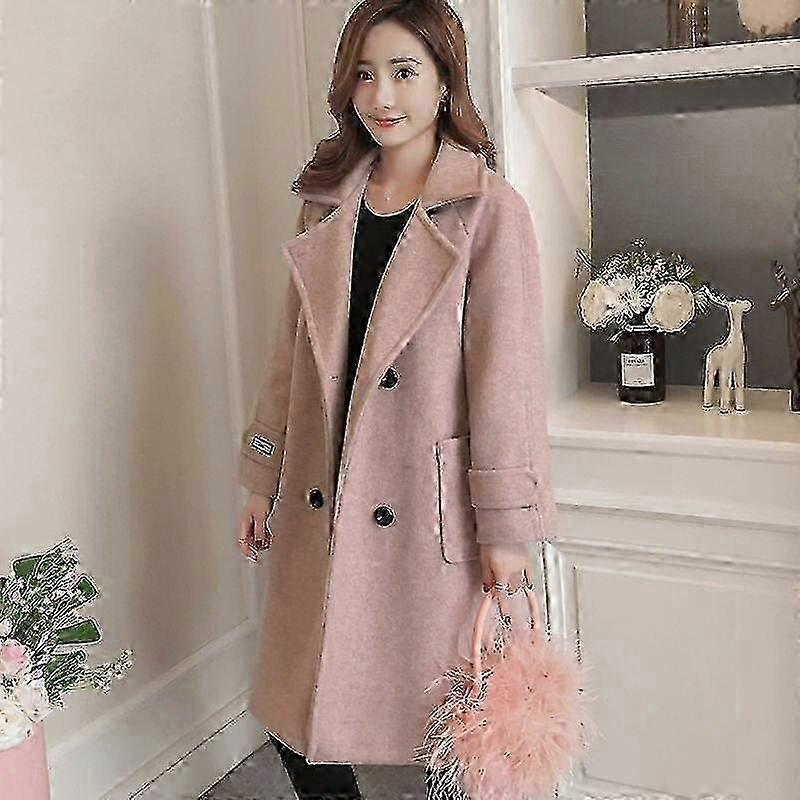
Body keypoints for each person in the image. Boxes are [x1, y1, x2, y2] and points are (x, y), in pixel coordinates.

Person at [235, 1, 559, 798]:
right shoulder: (326, 202)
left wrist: (506, 531)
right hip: (322, 487)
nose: (381, 96)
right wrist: (260, 474)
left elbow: (507, 385)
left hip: (426, 506)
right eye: (365, 74)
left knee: (446, 730)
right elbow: (288, 357)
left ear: (446, 82)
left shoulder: (489, 212)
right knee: (301, 718)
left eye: (405, 72)